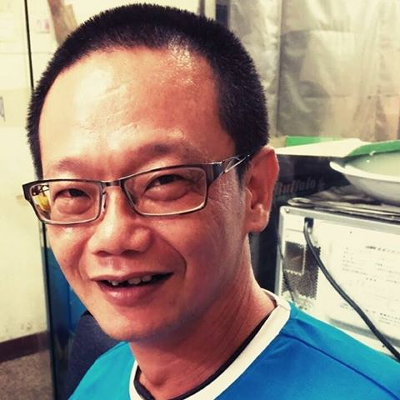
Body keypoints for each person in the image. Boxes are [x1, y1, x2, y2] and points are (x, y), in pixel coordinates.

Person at [22, 4, 399, 400]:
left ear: (255, 190)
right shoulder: (99, 378)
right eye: (72, 192)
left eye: (164, 181)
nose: (113, 237)